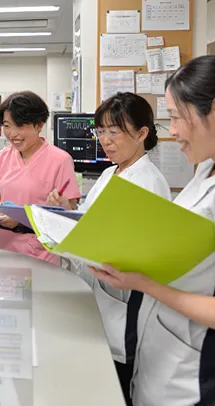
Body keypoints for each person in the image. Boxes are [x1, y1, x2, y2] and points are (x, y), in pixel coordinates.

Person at [91, 56, 215, 406]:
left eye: (176, 116)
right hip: (167, 354)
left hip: (199, 375)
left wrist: (143, 282)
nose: (172, 131)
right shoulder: (210, 167)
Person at [47, 92, 171, 404]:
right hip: (98, 297)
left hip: (125, 305)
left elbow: (141, 250)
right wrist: (65, 213)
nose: (105, 140)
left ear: (142, 133)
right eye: (100, 131)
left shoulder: (149, 182)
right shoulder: (109, 173)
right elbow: (94, 223)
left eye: (114, 132)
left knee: (119, 386)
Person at [0, 91, 80, 264]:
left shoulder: (60, 160)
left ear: (39, 125)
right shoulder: (1, 157)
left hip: (40, 250)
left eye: (20, 126)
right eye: (7, 125)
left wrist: (22, 220)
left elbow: (70, 211)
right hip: (2, 247)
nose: (12, 134)